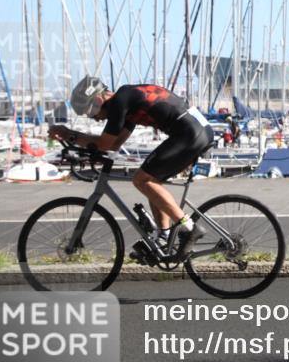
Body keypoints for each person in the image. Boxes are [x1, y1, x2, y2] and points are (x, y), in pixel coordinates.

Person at [49, 76, 214, 261]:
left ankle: (189, 228)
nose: (94, 118)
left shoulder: (121, 100)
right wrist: (82, 145)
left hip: (189, 133)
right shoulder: (128, 101)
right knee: (151, 181)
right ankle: (164, 236)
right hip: (194, 130)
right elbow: (115, 143)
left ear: (97, 100)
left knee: (142, 179)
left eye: (90, 111)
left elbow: (104, 143)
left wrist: (69, 134)